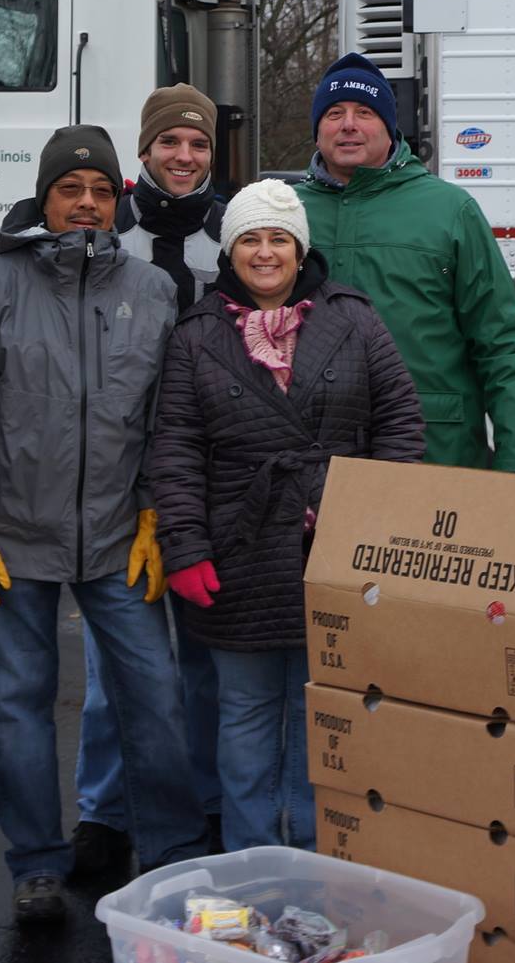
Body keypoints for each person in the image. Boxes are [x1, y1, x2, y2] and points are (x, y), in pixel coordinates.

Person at [0, 125, 211, 924]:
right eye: (70, 190)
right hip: (12, 536)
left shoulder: (151, 290)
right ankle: (36, 867)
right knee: (19, 704)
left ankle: (172, 855)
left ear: (116, 200)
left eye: (99, 191)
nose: (85, 204)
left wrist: (159, 510)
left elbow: (169, 415)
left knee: (153, 696)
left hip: (121, 534)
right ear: (46, 198)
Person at [149, 179, 425, 850]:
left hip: (334, 550)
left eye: (279, 238)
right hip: (239, 549)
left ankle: (310, 856)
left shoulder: (353, 317)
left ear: (301, 249)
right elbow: (176, 445)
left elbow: (399, 424)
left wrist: (377, 532)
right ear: (229, 250)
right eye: (250, 238)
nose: (265, 252)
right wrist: (185, 547)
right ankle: (250, 860)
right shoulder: (197, 333)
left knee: (318, 713)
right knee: (242, 714)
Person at [71, 85, 226, 876]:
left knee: (201, 657)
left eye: (197, 145)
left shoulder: (231, 231)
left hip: (204, 470)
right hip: (116, 467)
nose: (184, 157)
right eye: (170, 143)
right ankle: (103, 809)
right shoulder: (111, 230)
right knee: (117, 662)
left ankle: (200, 798)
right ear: (145, 151)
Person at [295, 52, 515, 473]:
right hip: (313, 461)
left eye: (365, 112)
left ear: (390, 128)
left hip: (433, 453)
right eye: (334, 112)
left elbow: (502, 346)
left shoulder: (450, 210)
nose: (349, 124)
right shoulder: (283, 213)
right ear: (318, 129)